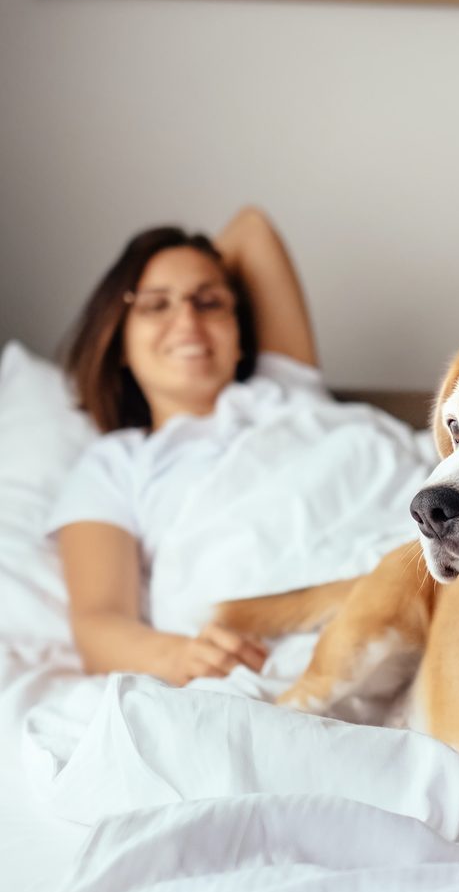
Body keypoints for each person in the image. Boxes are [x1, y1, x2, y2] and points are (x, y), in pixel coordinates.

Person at [50, 206, 322, 687]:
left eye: (209, 302)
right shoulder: (116, 463)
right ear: (120, 341)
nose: (187, 321)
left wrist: (185, 273)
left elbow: (252, 228)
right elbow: (98, 623)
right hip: (271, 646)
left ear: (240, 336)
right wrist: (182, 656)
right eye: (156, 306)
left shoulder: (286, 389)